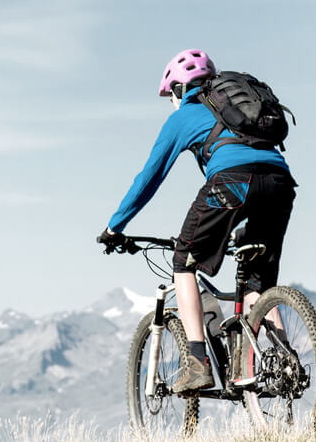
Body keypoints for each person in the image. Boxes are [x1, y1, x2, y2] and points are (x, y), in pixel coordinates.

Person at [97, 49, 297, 393]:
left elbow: (149, 178)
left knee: (184, 263)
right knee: (256, 284)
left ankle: (197, 364)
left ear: (178, 89)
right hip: (281, 184)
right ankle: (286, 363)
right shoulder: (236, 111)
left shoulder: (185, 114)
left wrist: (116, 226)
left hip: (233, 183)